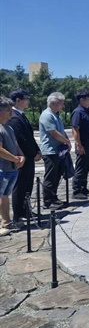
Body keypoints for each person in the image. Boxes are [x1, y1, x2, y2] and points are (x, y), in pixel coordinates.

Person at [7, 89, 41, 224]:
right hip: (22, 157)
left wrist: (37, 151)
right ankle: (18, 213)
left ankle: (26, 210)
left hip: (29, 157)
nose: (28, 101)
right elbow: (21, 139)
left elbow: (30, 137)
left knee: (28, 185)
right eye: (26, 98)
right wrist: (32, 154)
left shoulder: (21, 115)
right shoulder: (14, 117)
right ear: (18, 100)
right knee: (20, 186)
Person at [39, 92, 71, 208]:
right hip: (50, 151)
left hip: (58, 150)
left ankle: (54, 197)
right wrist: (66, 141)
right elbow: (53, 132)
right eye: (61, 104)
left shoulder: (56, 115)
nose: (62, 106)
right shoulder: (47, 115)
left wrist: (66, 140)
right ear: (53, 103)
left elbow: (61, 131)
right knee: (51, 177)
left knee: (57, 175)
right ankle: (47, 201)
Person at [0, 97, 25, 235]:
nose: (11, 112)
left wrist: (21, 156)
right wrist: (15, 158)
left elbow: (15, 145)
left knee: (5, 195)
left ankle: (6, 221)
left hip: (12, 169)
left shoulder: (9, 127)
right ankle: (4, 222)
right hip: (2, 168)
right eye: (7, 110)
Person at [71, 90, 89, 199]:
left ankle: (84, 188)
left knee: (86, 167)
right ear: (82, 100)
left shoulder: (86, 111)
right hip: (83, 143)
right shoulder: (78, 112)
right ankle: (77, 190)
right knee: (81, 167)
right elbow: (75, 129)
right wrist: (79, 145)